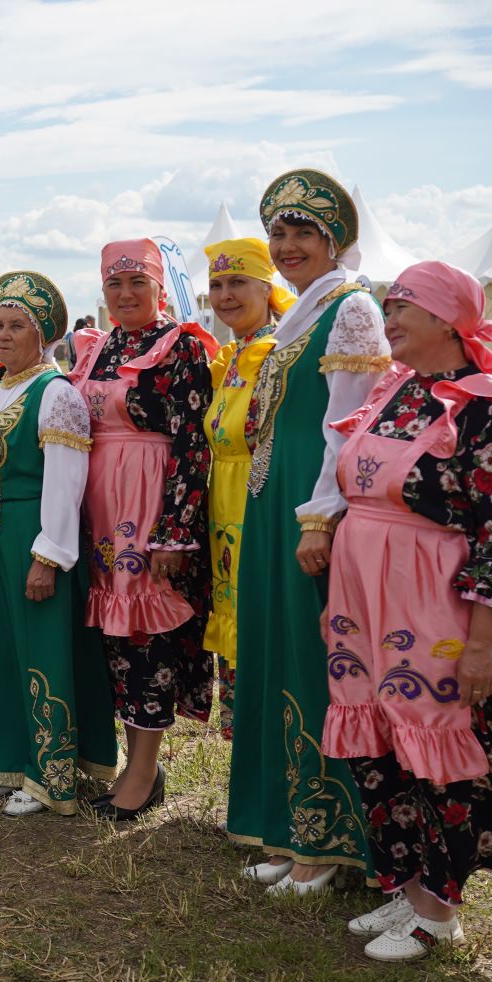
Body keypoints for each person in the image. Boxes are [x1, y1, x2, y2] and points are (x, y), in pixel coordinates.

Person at [320, 261, 492, 960]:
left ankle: (440, 909)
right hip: (367, 599)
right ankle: (412, 880)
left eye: (404, 308)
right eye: (388, 306)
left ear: (448, 321)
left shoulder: (489, 410)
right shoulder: (398, 391)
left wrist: (484, 643)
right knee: (385, 739)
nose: (388, 319)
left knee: (435, 742)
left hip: (435, 604)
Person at [229, 169, 392, 895]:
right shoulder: (299, 313)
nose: (288, 245)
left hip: (309, 504)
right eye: (280, 234)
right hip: (272, 501)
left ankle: (325, 838)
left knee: (310, 658)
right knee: (271, 655)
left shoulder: (350, 310)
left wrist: (320, 514)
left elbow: (345, 425)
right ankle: (281, 822)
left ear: (334, 243)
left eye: (303, 234)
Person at [68, 240, 216, 821]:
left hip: (149, 505)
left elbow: (191, 441)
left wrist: (174, 530)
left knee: (143, 636)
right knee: (112, 638)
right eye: (114, 285)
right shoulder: (96, 347)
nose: (125, 296)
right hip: (99, 506)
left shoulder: (180, 348)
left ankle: (144, 768)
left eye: (137, 285)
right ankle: (132, 762)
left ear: (160, 289)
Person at [0, 271, 115, 814]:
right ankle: (5, 760)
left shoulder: (55, 395)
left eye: (16, 326)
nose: (1, 336)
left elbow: (65, 480)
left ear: (43, 333)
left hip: (30, 537)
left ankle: (49, 776)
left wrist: (48, 555)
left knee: (40, 654)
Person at [201, 239, 292, 736]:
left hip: (261, 502)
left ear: (267, 287)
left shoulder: (278, 351)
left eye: (238, 282)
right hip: (225, 504)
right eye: (217, 284)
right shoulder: (230, 355)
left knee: (261, 616)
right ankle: (248, 755)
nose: (225, 295)